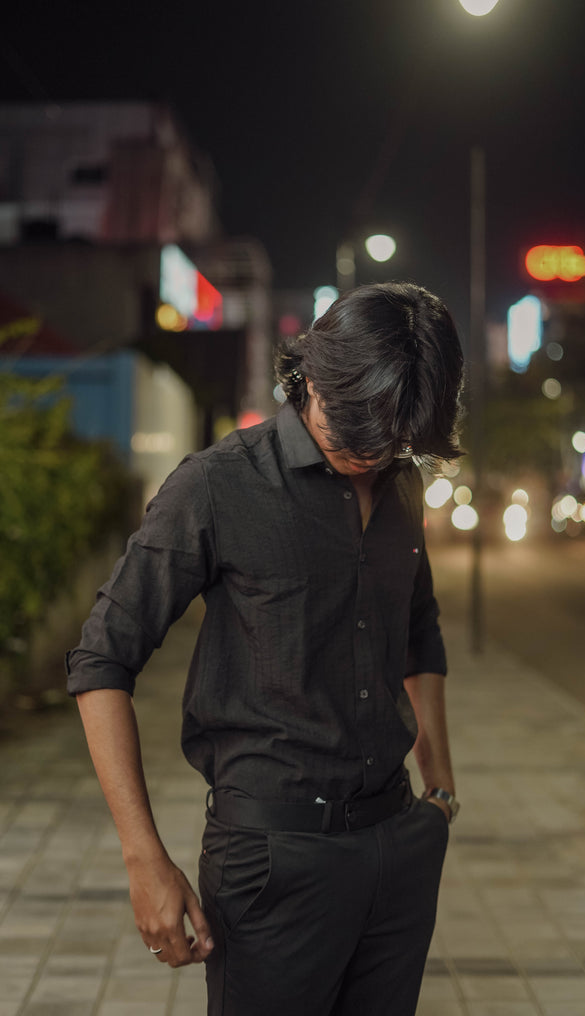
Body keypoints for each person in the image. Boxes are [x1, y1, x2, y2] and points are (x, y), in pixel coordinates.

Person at [67, 280, 464, 1016]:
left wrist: (438, 794)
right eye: (356, 434)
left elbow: (420, 630)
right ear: (309, 376)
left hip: (398, 845)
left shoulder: (401, 486)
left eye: (394, 441)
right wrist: (142, 856)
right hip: (275, 861)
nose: (373, 455)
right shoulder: (217, 486)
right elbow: (101, 660)